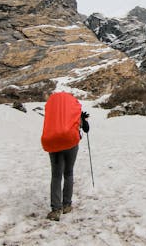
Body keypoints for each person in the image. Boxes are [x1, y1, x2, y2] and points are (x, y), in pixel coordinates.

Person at [41, 91, 89, 221]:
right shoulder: (74, 110)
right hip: (71, 144)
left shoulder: (53, 110)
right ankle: (67, 205)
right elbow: (86, 128)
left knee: (56, 176)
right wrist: (83, 119)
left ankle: (56, 210)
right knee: (68, 173)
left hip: (54, 143)